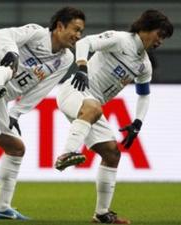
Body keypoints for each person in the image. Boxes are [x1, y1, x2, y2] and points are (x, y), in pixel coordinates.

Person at [0, 7, 85, 220]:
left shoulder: (65, 59)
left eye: (81, 32)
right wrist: (12, 52)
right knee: (8, 67)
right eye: (75, 29)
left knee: (16, 148)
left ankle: (2, 208)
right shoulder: (37, 33)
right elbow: (0, 34)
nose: (78, 36)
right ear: (60, 26)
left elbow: (42, 89)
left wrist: (17, 113)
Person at [54, 9, 173, 224]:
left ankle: (101, 214)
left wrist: (137, 122)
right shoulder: (119, 39)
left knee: (112, 154)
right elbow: (85, 43)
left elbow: (144, 95)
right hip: (74, 90)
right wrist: (81, 66)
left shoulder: (144, 65)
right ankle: (67, 153)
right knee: (94, 108)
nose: (160, 41)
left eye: (163, 38)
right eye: (160, 34)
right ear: (146, 28)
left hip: (92, 104)